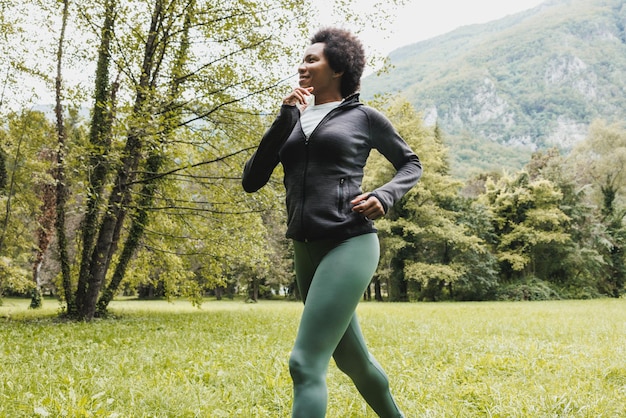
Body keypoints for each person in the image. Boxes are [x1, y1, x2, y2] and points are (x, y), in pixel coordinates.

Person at [242, 27, 421, 418]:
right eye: (302, 59)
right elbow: (252, 180)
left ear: (337, 67)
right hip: (305, 248)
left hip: (349, 242)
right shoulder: (291, 117)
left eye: (312, 59)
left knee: (304, 363)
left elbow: (411, 163)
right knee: (353, 361)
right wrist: (286, 116)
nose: (302, 66)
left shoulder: (364, 117)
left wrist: (383, 196)